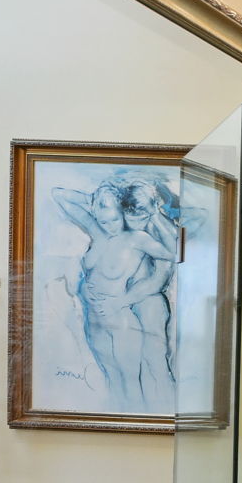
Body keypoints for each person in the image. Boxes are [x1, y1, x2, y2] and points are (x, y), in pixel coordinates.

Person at [53, 175, 179, 413]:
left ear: (122, 212)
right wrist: (98, 197)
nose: (106, 225)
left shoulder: (137, 239)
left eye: (112, 219)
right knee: (111, 377)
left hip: (119, 318)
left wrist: (153, 213)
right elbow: (59, 196)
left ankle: (144, 421)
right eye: (102, 219)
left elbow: (173, 254)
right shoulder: (97, 231)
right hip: (94, 318)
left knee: (135, 376)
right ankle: (119, 420)